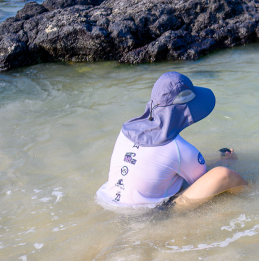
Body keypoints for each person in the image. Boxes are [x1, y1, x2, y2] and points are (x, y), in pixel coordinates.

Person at [96, 72, 246, 210]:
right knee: (223, 174)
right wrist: (225, 163)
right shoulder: (179, 148)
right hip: (149, 213)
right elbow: (203, 182)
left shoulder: (126, 129)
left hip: (106, 200)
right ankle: (252, 197)